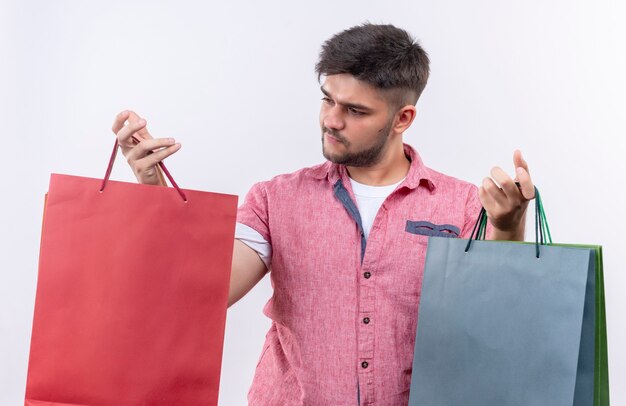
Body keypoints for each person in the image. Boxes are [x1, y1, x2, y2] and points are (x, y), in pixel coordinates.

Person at [111, 23, 534, 405]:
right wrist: (154, 189)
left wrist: (509, 225)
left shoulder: (461, 204)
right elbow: (205, 293)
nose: (331, 121)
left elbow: (493, 321)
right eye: (327, 100)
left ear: (402, 118)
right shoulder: (274, 199)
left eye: (355, 111)